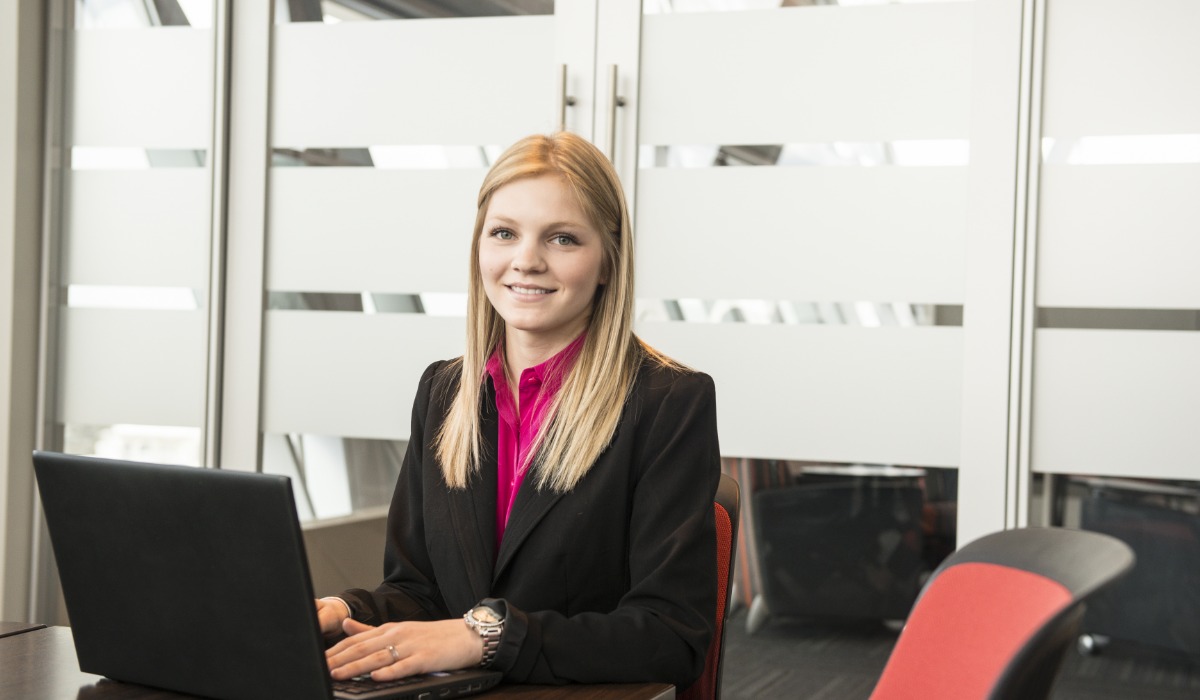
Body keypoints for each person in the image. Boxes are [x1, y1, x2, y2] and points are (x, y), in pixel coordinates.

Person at [316, 131, 721, 689]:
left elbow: (669, 634)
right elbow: (420, 592)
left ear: (608, 262)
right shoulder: (445, 392)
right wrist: (344, 608)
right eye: (504, 233)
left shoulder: (668, 403)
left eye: (562, 239)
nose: (526, 261)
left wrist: (485, 636)